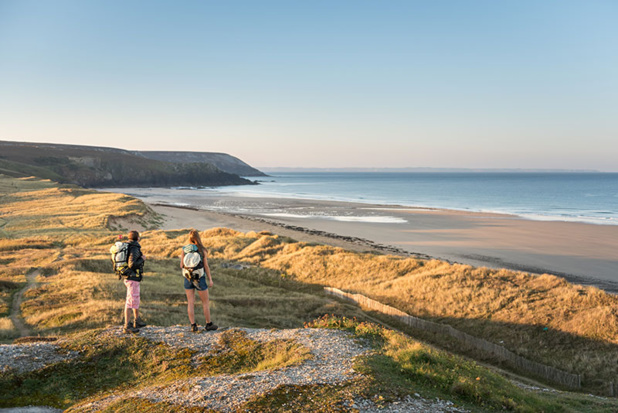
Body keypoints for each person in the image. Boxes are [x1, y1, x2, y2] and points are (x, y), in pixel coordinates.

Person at [180, 229, 217, 332]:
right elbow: (206, 266)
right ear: (198, 237)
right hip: (199, 278)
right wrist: (210, 279)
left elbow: (181, 265)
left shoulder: (184, 249)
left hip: (188, 277)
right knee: (205, 302)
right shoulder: (202, 250)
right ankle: (208, 324)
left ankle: (193, 325)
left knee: (190, 302)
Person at [123, 230, 147, 334]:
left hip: (130, 277)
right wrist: (142, 259)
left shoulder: (128, 246)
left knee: (135, 298)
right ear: (137, 238)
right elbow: (132, 264)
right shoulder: (134, 247)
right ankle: (127, 326)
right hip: (132, 277)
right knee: (130, 301)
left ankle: (137, 320)